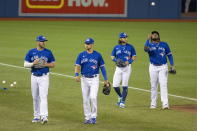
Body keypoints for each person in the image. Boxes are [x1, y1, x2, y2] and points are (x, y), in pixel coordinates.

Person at [74, 38, 109, 124]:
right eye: (86, 43)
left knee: (93, 97)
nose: (87, 45)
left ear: (92, 44)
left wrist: (106, 79)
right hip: (84, 79)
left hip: (94, 79)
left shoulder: (98, 55)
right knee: (85, 99)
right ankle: (87, 117)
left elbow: (102, 68)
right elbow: (77, 66)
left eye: (88, 44)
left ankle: (93, 116)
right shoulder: (81, 55)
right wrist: (76, 75)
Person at [24, 35, 55, 124]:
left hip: (44, 77)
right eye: (42, 41)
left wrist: (46, 64)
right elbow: (25, 64)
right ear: (37, 42)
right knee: (35, 97)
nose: (44, 43)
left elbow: (53, 64)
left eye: (44, 41)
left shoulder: (48, 52)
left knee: (43, 96)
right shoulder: (31, 52)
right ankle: (36, 116)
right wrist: (33, 63)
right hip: (33, 77)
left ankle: (44, 116)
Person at [144, 31, 175, 109]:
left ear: (158, 36)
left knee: (163, 84)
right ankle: (153, 103)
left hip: (163, 67)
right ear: (151, 37)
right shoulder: (149, 44)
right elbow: (145, 49)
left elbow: (169, 55)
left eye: (156, 34)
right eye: (153, 34)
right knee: (153, 85)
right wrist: (147, 40)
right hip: (153, 67)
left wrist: (172, 65)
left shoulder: (164, 44)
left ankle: (165, 103)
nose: (154, 35)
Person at [111, 32, 136, 108]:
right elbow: (112, 56)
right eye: (124, 37)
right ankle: (120, 96)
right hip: (118, 68)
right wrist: (116, 61)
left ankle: (123, 102)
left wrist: (129, 62)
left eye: (126, 37)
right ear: (120, 39)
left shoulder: (131, 47)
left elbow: (134, 57)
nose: (126, 39)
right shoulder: (116, 47)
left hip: (127, 68)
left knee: (124, 85)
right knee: (115, 85)